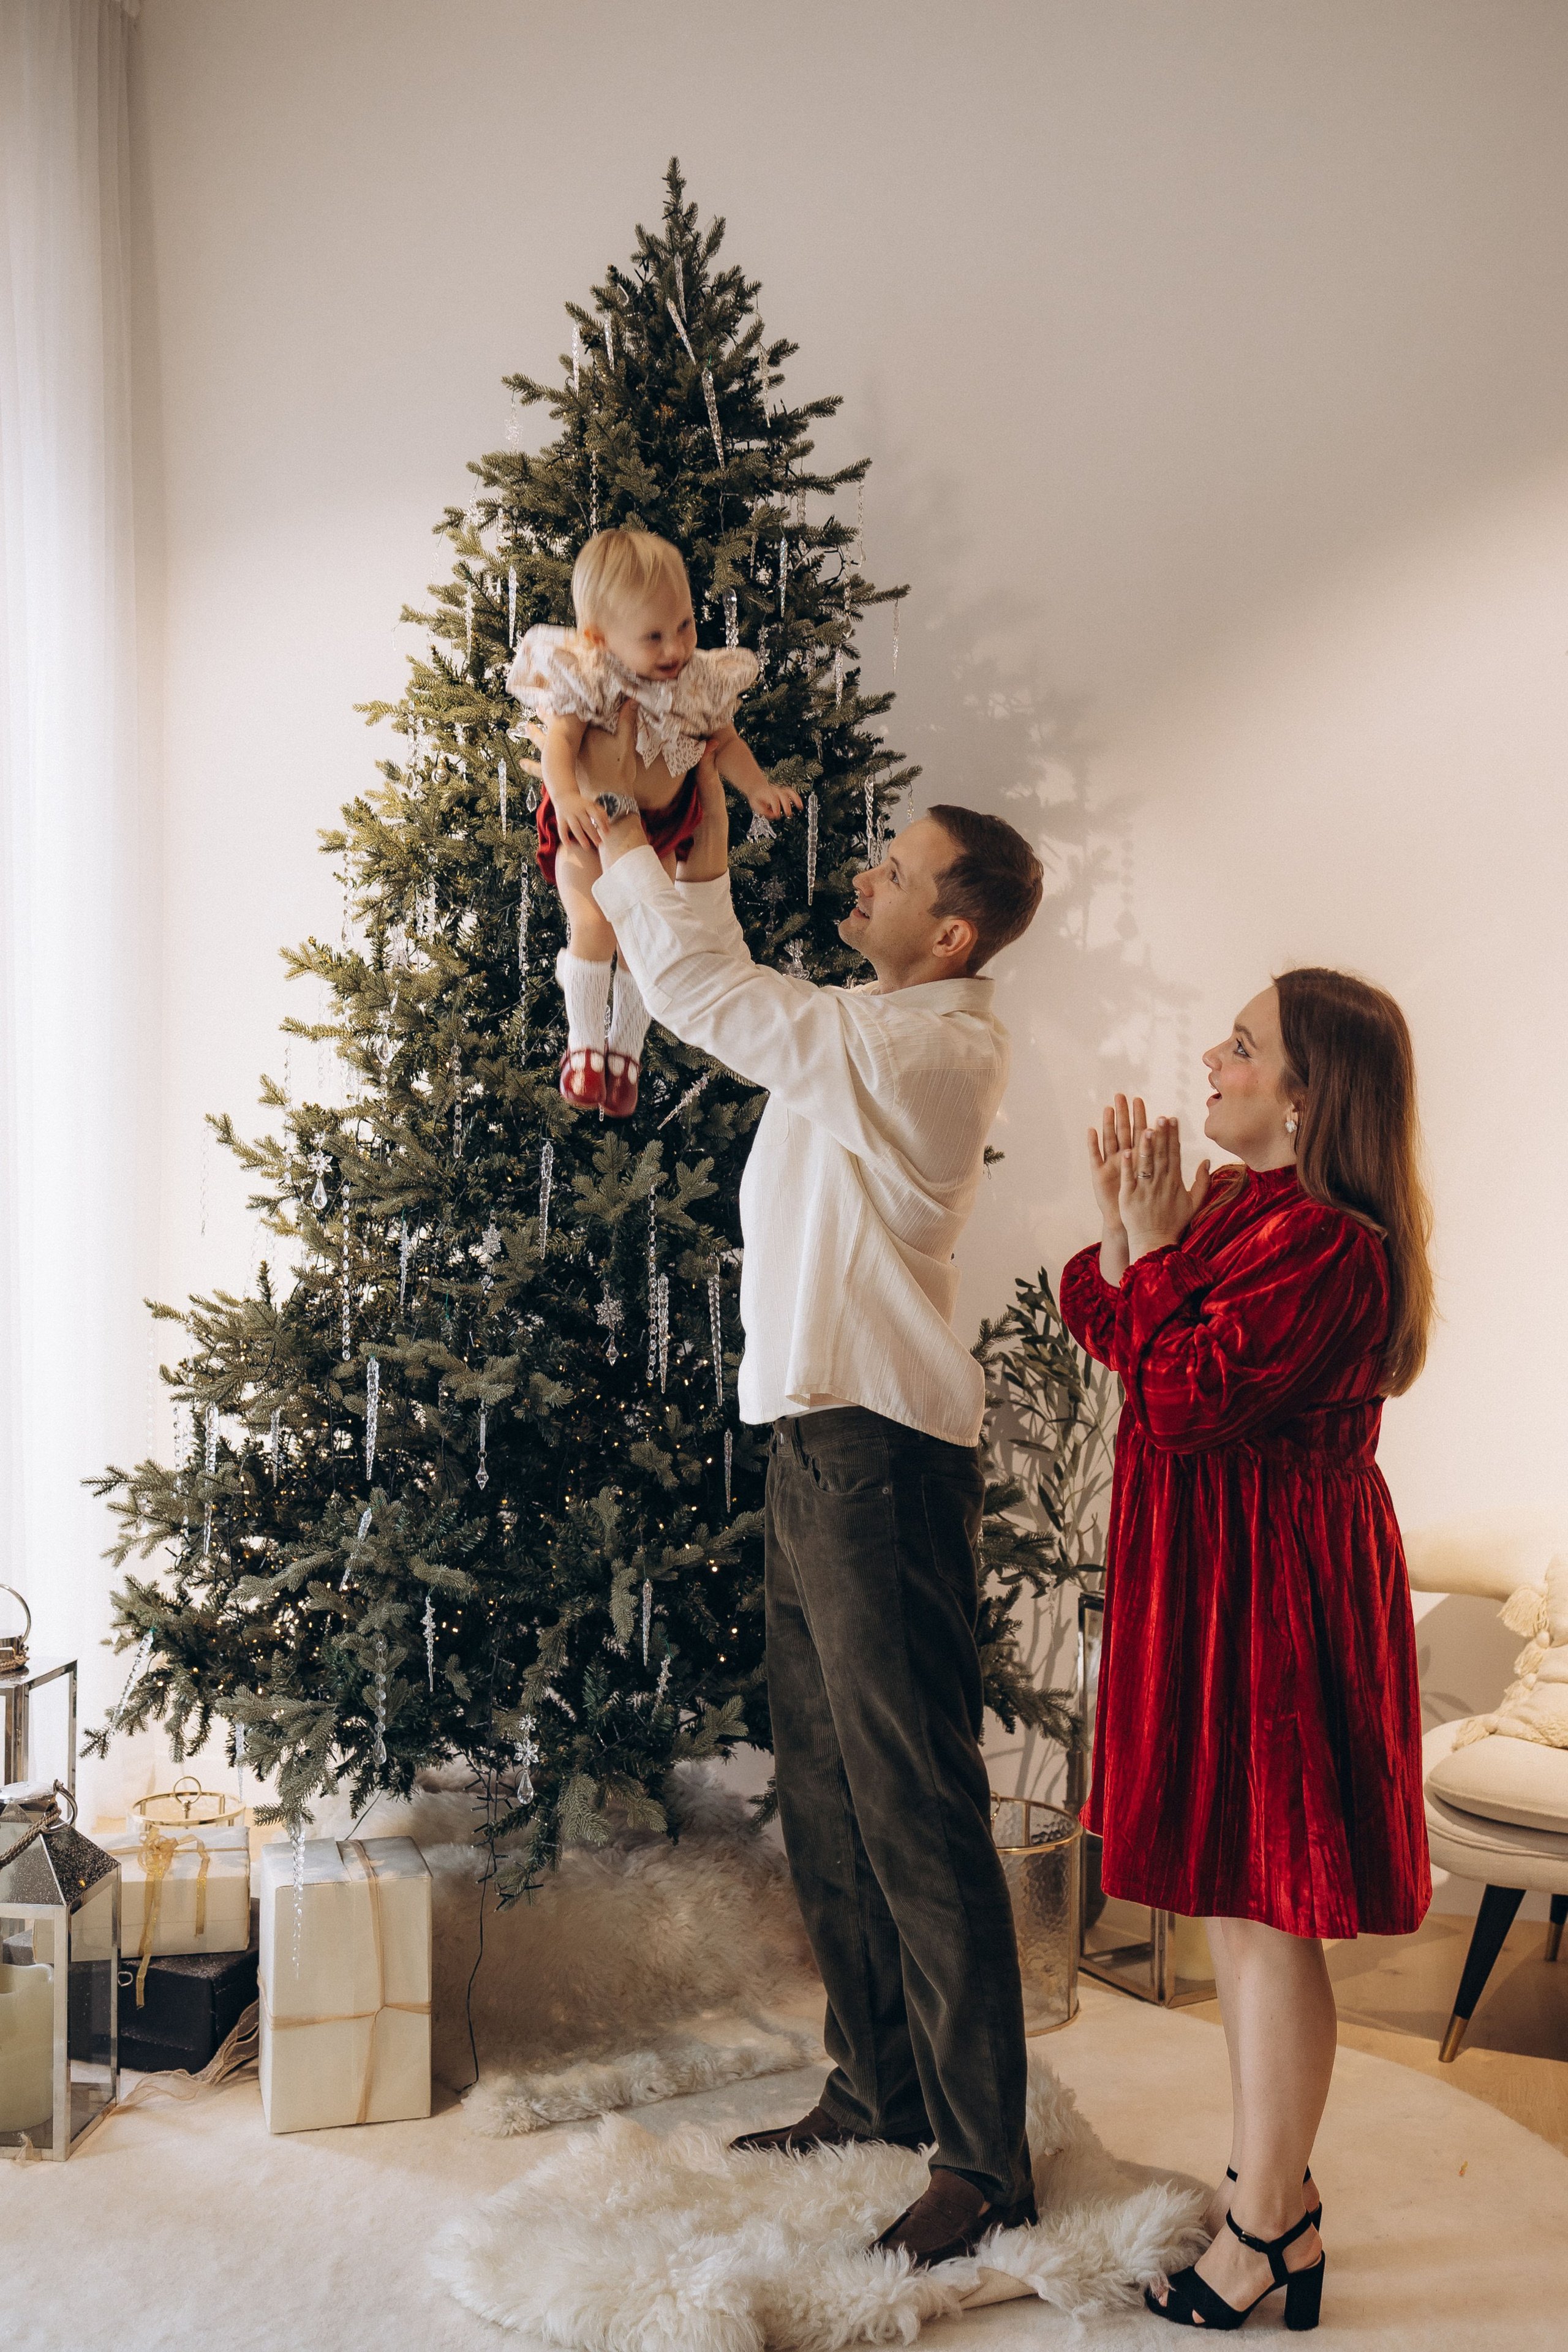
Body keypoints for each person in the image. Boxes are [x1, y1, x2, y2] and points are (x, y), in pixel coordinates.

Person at [590, 752, 1046, 2269]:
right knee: (831, 1791)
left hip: (881, 1451)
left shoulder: (922, 1050)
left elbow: (719, 1003)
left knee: (914, 1796)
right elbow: (720, 985)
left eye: (895, 871)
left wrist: (618, 837)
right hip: (811, 1435)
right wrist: (692, 859)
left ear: (952, 932)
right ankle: (872, 2088)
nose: (864, 875)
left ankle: (985, 2156)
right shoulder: (868, 1030)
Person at [1060, 970, 1434, 2334]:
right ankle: (1269, 2198)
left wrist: (1146, 1254)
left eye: (1240, 1046)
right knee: (1238, 1912)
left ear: (1304, 1092)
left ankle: (1267, 2224)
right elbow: (1098, 1318)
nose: (1207, 1061)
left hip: (1270, 1606)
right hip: (1205, 1587)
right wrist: (1132, 1238)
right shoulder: (1231, 1209)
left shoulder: (1335, 1247)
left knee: (1268, 1918)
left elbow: (1170, 1390)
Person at [507, 527, 798, 1117]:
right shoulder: (589, 676)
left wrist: (758, 787)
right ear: (600, 638)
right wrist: (564, 797)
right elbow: (560, 744)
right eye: (654, 637)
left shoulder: (695, 683)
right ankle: (585, 1047)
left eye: (685, 626)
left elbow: (727, 741)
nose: (674, 649)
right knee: (592, 923)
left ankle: (626, 1055)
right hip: (588, 829)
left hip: (662, 831)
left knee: (646, 945)